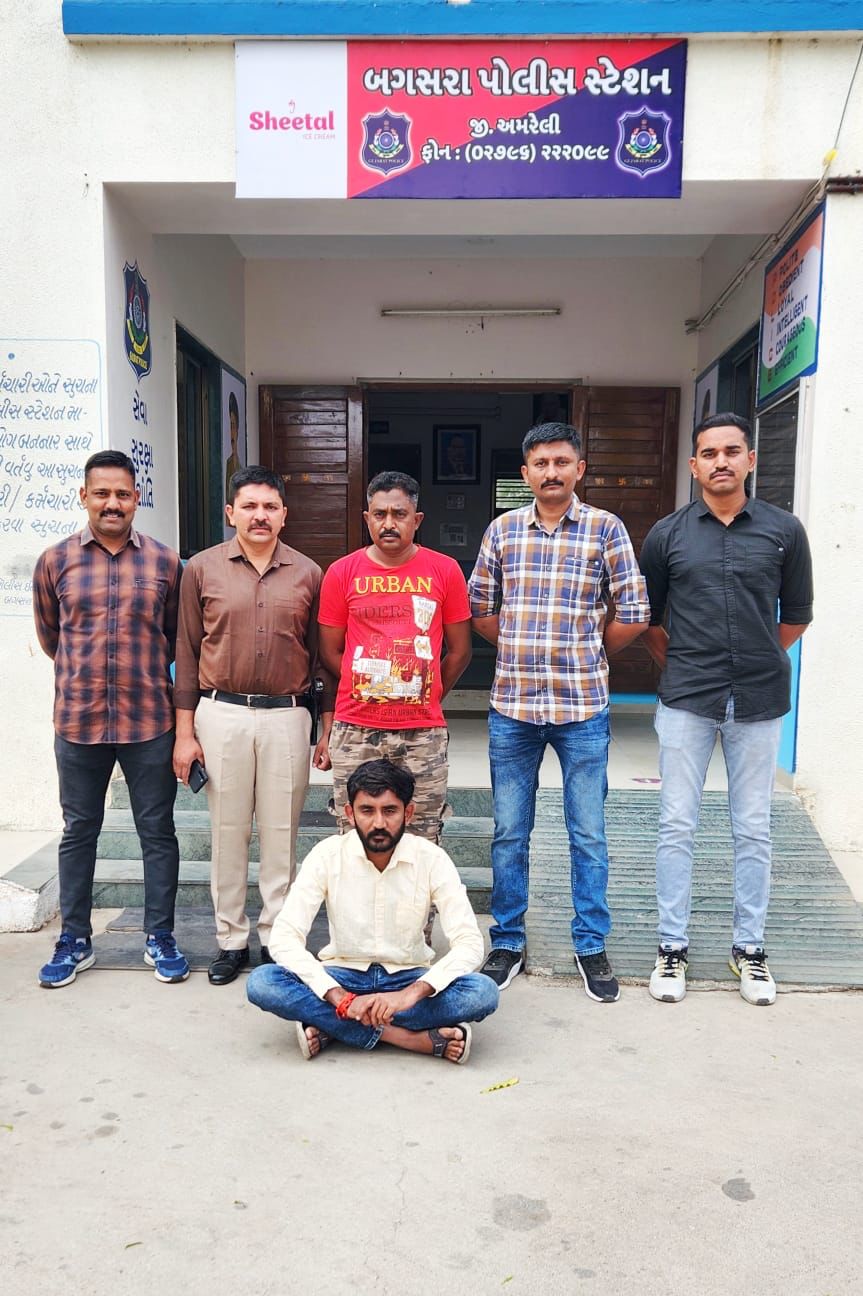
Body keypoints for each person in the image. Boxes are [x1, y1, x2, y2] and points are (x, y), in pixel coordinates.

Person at [469, 422, 650, 1001]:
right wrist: (520, 645)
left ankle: (591, 944)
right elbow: (480, 608)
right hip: (514, 708)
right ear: (525, 473)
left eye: (561, 461)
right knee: (509, 832)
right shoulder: (502, 530)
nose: (551, 472)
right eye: (541, 463)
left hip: (583, 708)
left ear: (579, 469)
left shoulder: (605, 528)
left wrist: (589, 650)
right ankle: (507, 940)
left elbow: (635, 610)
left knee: (588, 833)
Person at [640, 412, 814, 1006]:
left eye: (732, 451)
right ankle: (672, 946)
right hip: (688, 698)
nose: (721, 461)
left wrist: (758, 654)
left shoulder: (785, 531)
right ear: (694, 465)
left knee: (754, 827)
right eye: (709, 453)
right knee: (676, 824)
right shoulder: (667, 535)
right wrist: (687, 664)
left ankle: (750, 949)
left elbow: (797, 614)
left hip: (760, 699)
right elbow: (649, 620)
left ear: (750, 460)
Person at [173, 465, 334, 986]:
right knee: (228, 832)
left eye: (269, 507)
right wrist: (184, 733)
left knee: (282, 834)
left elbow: (322, 657)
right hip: (220, 713)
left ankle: (277, 939)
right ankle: (230, 940)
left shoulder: (309, 573)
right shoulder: (201, 569)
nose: (259, 516)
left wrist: (325, 726)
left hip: (287, 715)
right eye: (249, 506)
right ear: (230, 513)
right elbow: (186, 651)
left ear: (284, 514)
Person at [32, 449, 188, 988]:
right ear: (84, 496)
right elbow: (51, 638)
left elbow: (175, 637)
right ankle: (74, 940)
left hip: (149, 721)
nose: (112, 503)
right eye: (102, 493)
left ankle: (159, 936)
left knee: (158, 832)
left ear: (137, 498)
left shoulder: (166, 563)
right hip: (79, 721)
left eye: (122, 493)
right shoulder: (55, 561)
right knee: (79, 831)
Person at [246, 759, 498, 1063]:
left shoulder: (431, 859)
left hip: (407, 977)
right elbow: (284, 937)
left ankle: (332, 1027)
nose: (379, 823)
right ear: (350, 813)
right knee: (263, 983)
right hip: (341, 976)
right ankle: (407, 1038)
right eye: (367, 811)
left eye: (389, 811)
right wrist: (339, 997)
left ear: (408, 813)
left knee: (483, 992)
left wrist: (408, 995)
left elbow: (469, 943)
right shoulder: (327, 855)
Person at [317, 471, 472, 845]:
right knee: (354, 836)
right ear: (367, 518)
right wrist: (370, 685)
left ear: (416, 520)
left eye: (399, 514)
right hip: (356, 727)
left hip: (423, 731)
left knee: (422, 834)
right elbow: (330, 651)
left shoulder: (445, 570)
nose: (389, 523)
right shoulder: (342, 573)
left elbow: (460, 650)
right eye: (380, 514)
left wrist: (426, 691)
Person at [224, 391, 242, 504]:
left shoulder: (241, 467)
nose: (232, 432)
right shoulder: (228, 464)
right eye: (230, 426)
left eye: (233, 426)